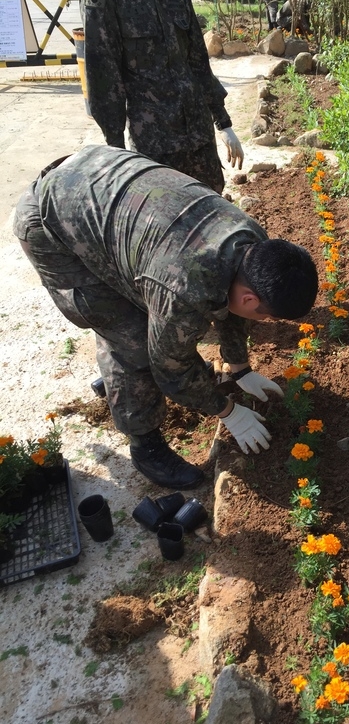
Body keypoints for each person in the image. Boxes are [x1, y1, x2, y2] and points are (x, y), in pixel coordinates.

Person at [14, 146, 319, 490]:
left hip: (99, 179)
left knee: (155, 319)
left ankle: (123, 385)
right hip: (50, 222)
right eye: (268, 317)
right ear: (252, 298)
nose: (265, 323)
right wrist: (228, 411)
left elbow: (234, 306)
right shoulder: (182, 290)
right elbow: (169, 371)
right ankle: (146, 445)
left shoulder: (252, 243)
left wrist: (240, 367)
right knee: (131, 338)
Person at [79, 0, 243, 194]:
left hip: (199, 141)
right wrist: (118, 155)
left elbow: (198, 63)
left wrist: (223, 123)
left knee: (211, 217)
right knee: (164, 227)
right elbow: (105, 84)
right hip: (156, 150)